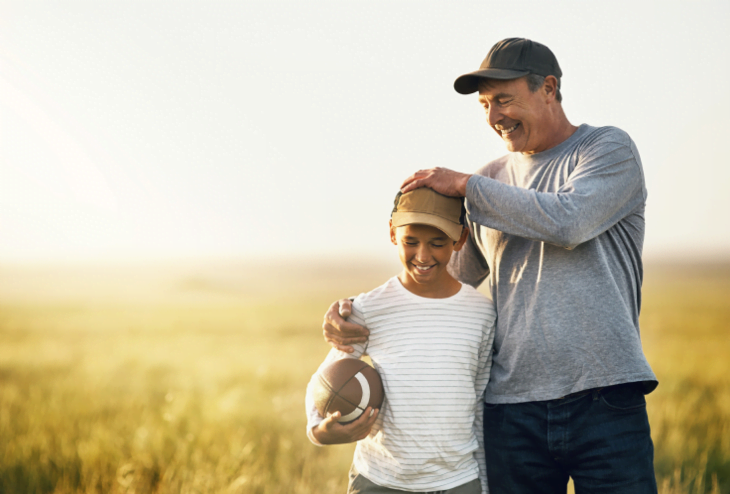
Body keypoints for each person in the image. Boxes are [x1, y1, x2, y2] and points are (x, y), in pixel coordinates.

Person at [323, 38, 658, 494]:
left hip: (604, 399)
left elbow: (569, 221)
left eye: (504, 99)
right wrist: (354, 315)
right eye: (484, 104)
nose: (493, 116)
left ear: (549, 88)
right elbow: (443, 278)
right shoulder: (492, 179)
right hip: (510, 409)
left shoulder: (606, 149)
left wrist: (465, 185)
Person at [306, 188, 497, 494]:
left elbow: (477, 404)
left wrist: (483, 485)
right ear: (393, 234)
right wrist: (320, 431)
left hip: (458, 481)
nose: (423, 256)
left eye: (437, 243)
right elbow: (325, 379)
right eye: (411, 242)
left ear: (460, 239)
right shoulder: (368, 308)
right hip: (380, 481)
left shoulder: (482, 313)